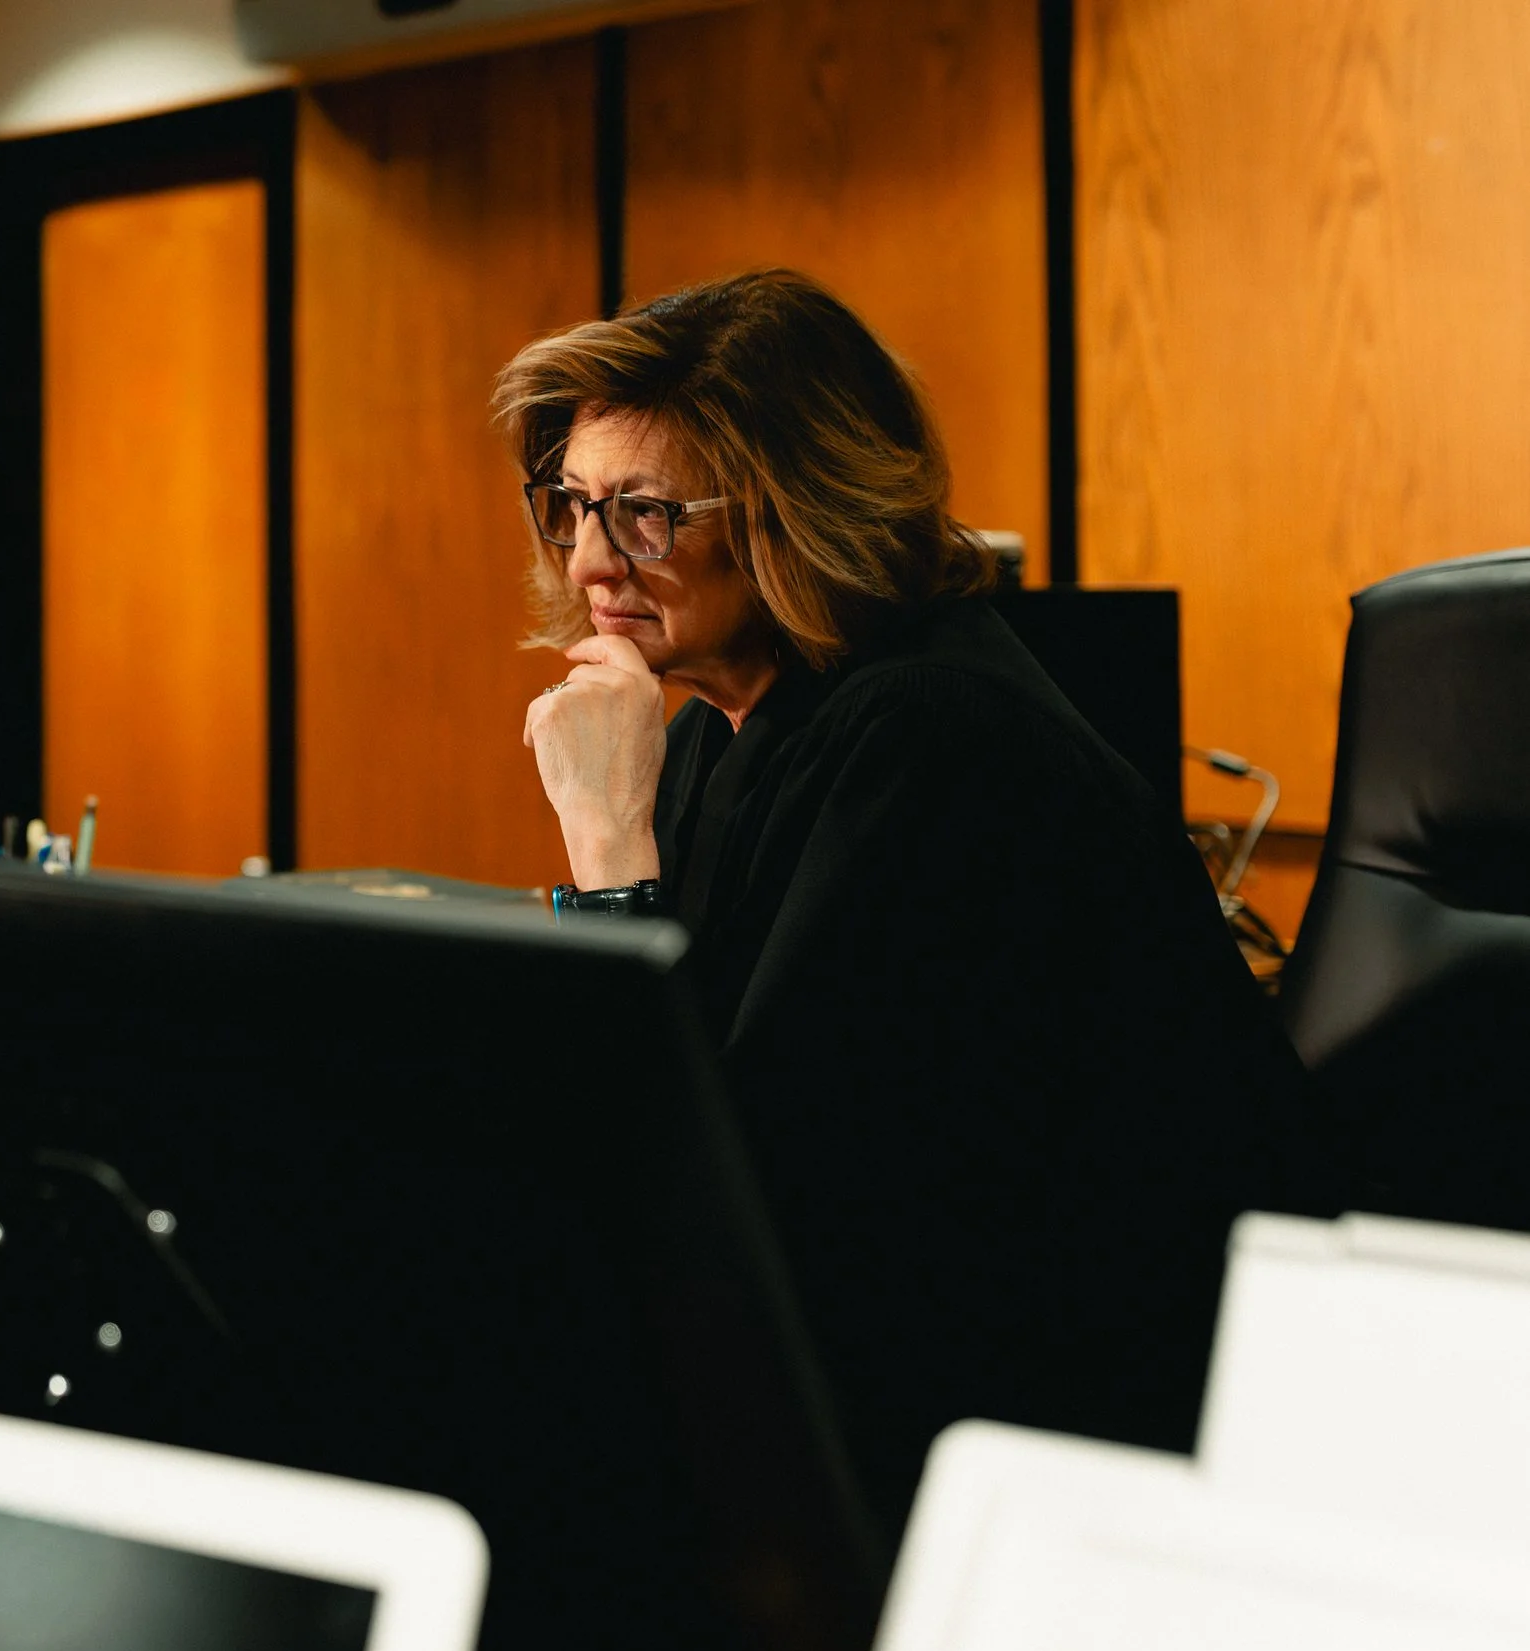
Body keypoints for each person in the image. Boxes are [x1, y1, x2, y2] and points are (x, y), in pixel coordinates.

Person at [494, 269, 1323, 1533]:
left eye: (648, 513)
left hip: (1060, 1459)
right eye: (573, 506)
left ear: (792, 509)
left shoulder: (930, 738)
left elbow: (758, 1202)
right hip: (891, 1398)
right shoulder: (736, 725)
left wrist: (607, 838)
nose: (594, 557)